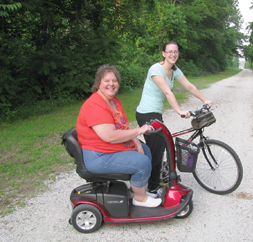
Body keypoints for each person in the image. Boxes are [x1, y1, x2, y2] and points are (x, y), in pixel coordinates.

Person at [76, 64, 161, 208]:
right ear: (98, 83)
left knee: (145, 151)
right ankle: (140, 198)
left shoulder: (113, 102)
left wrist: (138, 144)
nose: (111, 84)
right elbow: (109, 136)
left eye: (114, 81)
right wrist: (139, 131)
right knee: (142, 163)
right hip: (98, 156)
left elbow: (123, 127)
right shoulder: (95, 105)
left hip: (109, 149)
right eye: (106, 81)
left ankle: (138, 190)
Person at [136, 41, 213, 195]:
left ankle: (160, 174)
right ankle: (152, 189)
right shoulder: (156, 69)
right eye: (169, 51)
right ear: (163, 53)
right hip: (146, 114)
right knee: (157, 150)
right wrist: (179, 111)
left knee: (163, 144)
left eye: (175, 52)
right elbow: (167, 92)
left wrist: (204, 100)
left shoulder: (174, 70)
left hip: (156, 113)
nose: (173, 54)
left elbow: (189, 86)